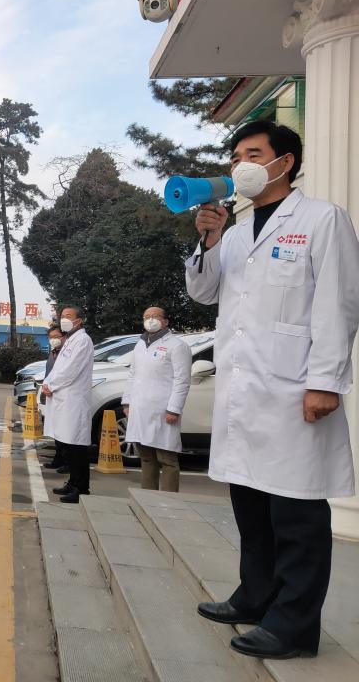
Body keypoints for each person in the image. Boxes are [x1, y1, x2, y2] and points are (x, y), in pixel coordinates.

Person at [187, 121, 359, 660]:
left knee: (296, 513)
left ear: (285, 162)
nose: (241, 164)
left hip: (294, 389)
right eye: (236, 156)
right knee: (251, 504)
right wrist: (209, 238)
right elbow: (203, 292)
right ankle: (255, 596)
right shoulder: (236, 232)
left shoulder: (322, 219)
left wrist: (325, 382)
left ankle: (294, 626)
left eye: (253, 154)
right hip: (244, 388)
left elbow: (339, 304)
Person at [121, 307, 191, 493]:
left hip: (163, 409)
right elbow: (132, 374)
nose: (150, 320)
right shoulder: (140, 344)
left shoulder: (177, 346)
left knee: (167, 459)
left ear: (165, 321)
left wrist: (174, 409)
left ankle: (169, 500)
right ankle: (148, 498)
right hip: (140, 408)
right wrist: (127, 402)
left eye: (155, 316)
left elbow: (182, 380)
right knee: (146, 457)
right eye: (146, 317)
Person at [41, 306, 94, 503]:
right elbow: (57, 368)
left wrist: (52, 385)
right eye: (62, 316)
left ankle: (81, 488)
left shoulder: (83, 340)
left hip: (73, 400)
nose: (64, 319)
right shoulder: (70, 340)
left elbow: (71, 370)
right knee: (67, 445)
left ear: (79, 320)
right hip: (62, 399)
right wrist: (47, 383)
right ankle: (72, 482)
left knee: (76, 446)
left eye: (68, 316)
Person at [41, 324, 68, 471]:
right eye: (50, 337)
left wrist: (52, 387)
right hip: (51, 394)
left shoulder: (67, 353)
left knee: (64, 431)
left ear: (64, 337)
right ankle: (58, 459)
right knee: (56, 430)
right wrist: (46, 387)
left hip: (62, 395)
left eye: (56, 337)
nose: (53, 340)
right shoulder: (53, 352)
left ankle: (66, 462)